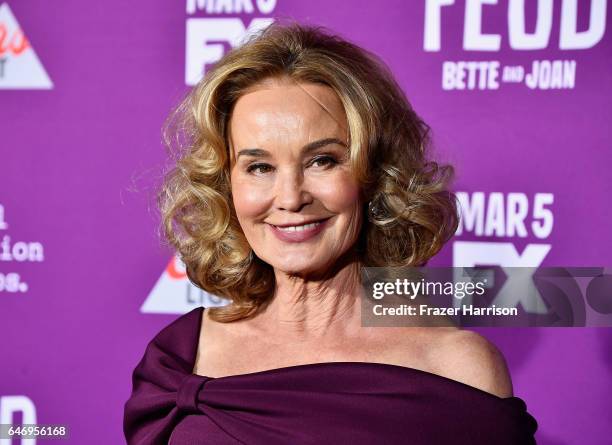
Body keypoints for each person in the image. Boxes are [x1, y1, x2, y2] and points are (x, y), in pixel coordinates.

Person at [123, 21, 538, 444]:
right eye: (259, 167)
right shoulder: (179, 359)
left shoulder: (454, 370)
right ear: (227, 185)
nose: (289, 197)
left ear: (374, 174)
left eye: (322, 160)